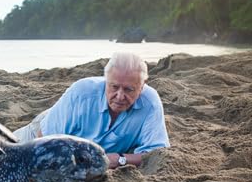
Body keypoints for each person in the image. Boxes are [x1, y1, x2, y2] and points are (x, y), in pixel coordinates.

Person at [13, 52, 170, 169]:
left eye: (128, 89)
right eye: (114, 87)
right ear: (105, 81)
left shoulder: (150, 102)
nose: (120, 96)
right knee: (4, 151)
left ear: (142, 87)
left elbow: (156, 154)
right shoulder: (82, 92)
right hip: (44, 129)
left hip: (86, 152)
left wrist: (121, 159)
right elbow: (44, 139)